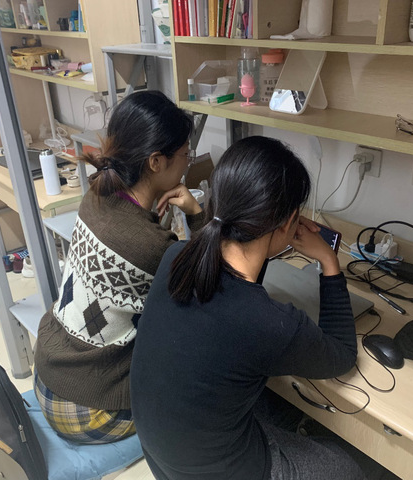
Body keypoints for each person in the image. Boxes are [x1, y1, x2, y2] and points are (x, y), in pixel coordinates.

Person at [130, 136, 364, 479]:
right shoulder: (268, 323)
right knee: (348, 467)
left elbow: (242, 284)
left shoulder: (176, 257)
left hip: (162, 456)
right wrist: (329, 261)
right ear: (288, 221)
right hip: (217, 472)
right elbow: (342, 356)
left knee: (275, 407)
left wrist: (272, 235)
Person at [33, 91, 204, 444]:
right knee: (196, 361)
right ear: (156, 162)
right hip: (88, 409)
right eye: (185, 155)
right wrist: (197, 215)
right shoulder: (154, 246)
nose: (187, 164)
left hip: (48, 375)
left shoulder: (94, 197)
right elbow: (207, 286)